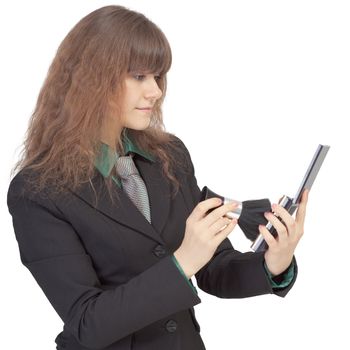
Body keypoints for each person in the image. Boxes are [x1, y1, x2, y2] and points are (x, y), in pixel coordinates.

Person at [7, 5, 309, 350]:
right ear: (92, 78)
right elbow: (87, 323)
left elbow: (214, 268)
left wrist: (274, 262)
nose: (155, 91)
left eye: (157, 76)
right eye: (138, 77)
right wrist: (182, 263)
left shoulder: (170, 157)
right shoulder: (37, 191)